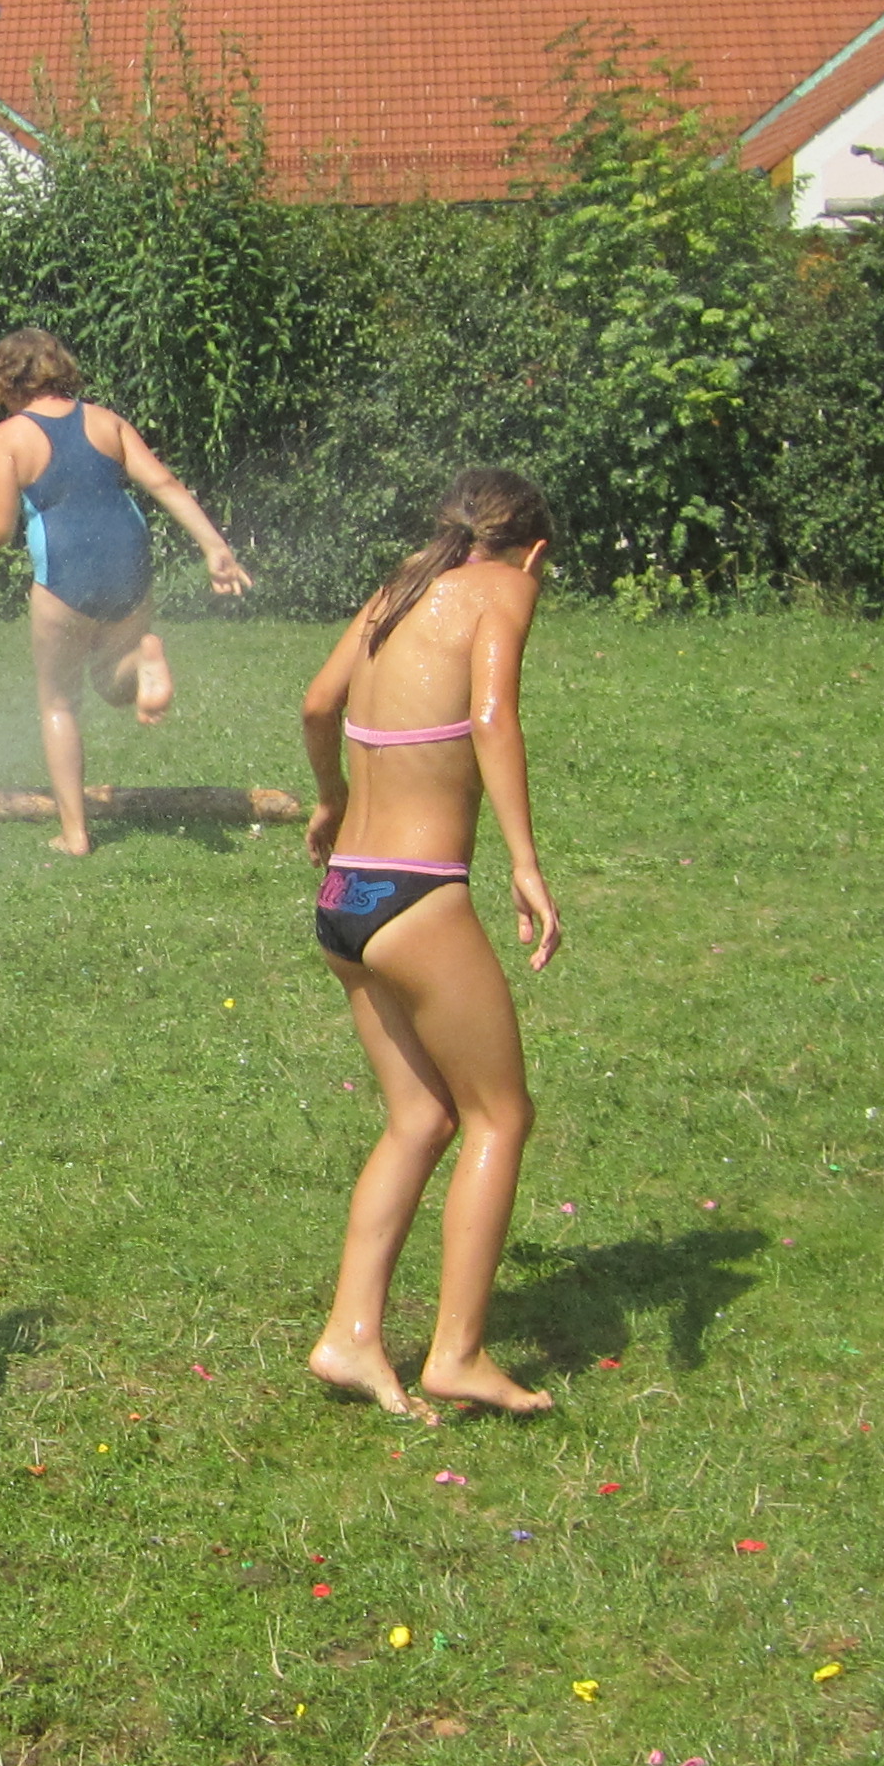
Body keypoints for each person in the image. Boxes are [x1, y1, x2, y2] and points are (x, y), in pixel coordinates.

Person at [292, 468, 565, 1424]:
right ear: (532, 549)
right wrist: (524, 862)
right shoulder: (503, 588)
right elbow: (493, 718)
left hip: (344, 897)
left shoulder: (397, 588)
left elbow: (318, 704)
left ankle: (349, 1336)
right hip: (417, 897)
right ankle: (458, 1355)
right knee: (500, 1116)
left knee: (419, 1118)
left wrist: (330, 796)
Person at [0, 327, 254, 855]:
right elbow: (163, 483)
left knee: (59, 703)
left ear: (6, 380)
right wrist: (214, 546)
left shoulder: (7, 438)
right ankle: (144, 657)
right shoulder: (106, 421)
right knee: (113, 682)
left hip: (67, 568)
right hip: (128, 555)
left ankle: (75, 834)